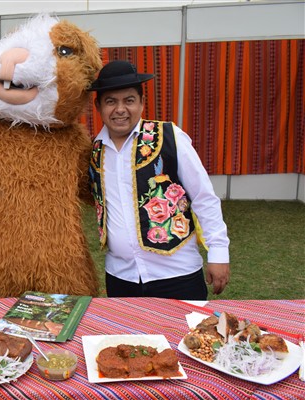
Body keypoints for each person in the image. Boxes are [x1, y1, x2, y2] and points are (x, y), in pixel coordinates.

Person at [87, 60, 230, 300]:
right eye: (111, 101)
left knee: (187, 327)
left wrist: (218, 253)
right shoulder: (93, 151)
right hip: (121, 277)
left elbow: (203, 196)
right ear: (98, 106)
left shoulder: (169, 136)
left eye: (129, 100)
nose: (120, 109)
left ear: (142, 103)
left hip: (178, 273)